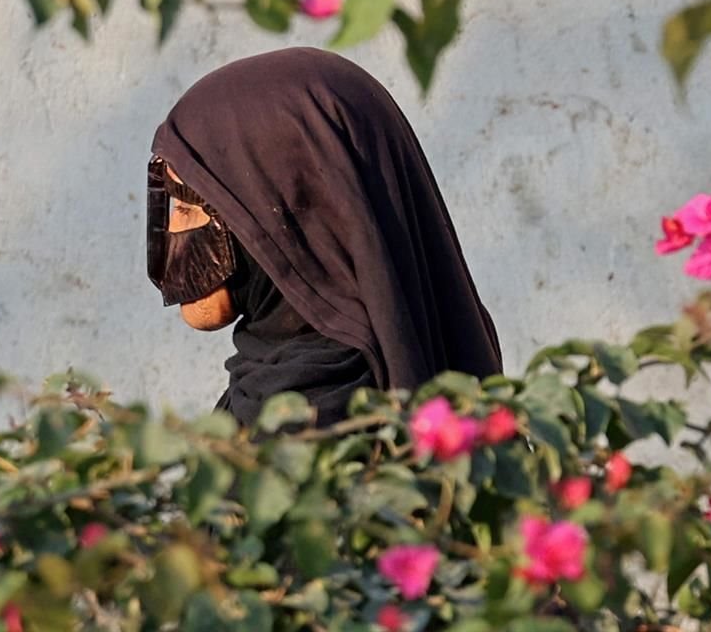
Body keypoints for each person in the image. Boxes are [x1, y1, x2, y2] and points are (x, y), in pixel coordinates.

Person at [147, 47, 502, 427]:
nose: (174, 239)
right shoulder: (435, 376)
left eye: (186, 208)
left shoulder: (308, 430)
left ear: (272, 215)